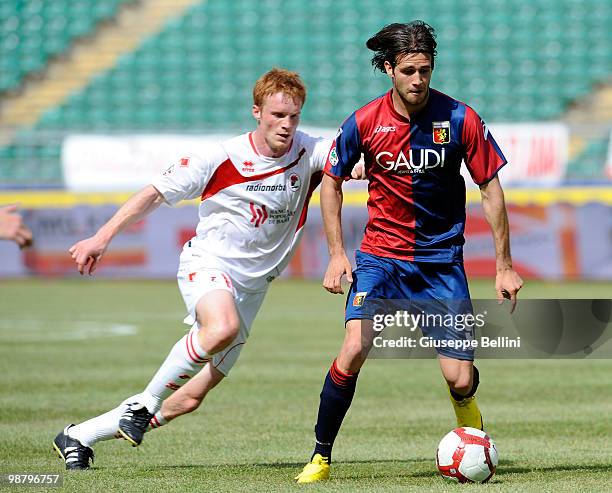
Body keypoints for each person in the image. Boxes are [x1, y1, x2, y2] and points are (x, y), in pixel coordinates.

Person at [52, 68, 364, 470]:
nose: (286, 125)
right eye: (276, 115)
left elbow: (354, 161)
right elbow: (153, 194)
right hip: (210, 264)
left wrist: (362, 165)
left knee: (191, 396)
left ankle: (80, 435)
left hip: (254, 289)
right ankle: (144, 403)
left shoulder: (309, 151)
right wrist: (102, 237)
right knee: (220, 328)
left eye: (293, 117)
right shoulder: (222, 157)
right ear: (257, 111)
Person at [295, 21, 523, 483]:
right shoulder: (364, 121)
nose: (419, 79)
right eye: (408, 70)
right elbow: (331, 182)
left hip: (441, 265)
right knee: (354, 347)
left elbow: (490, 188)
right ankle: (321, 455)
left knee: (460, 378)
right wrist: (338, 253)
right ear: (387, 69)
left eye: (425, 70)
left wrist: (504, 265)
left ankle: (470, 424)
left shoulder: (460, 118)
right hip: (381, 260)